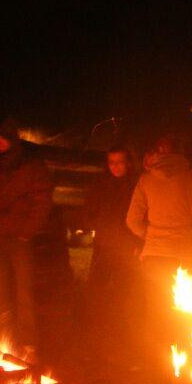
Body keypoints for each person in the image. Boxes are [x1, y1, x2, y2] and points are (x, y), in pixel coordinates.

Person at [126, 134, 192, 367]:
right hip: (183, 255)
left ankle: (155, 362)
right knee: (181, 310)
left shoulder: (146, 180)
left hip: (154, 255)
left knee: (155, 310)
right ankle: (181, 360)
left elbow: (132, 220)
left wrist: (150, 235)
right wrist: (191, 237)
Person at [0, 118, 53, 354]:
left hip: (19, 239)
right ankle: (3, 339)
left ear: (10, 139)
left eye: (1, 138)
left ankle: (29, 343)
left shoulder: (30, 166)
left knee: (23, 292)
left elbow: (42, 200)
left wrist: (26, 232)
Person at [83, 145, 141, 354]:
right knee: (97, 290)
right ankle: (96, 334)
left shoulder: (136, 185)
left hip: (127, 246)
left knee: (124, 292)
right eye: (111, 163)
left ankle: (123, 336)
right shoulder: (101, 185)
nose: (116, 167)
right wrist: (95, 223)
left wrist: (136, 242)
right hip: (105, 245)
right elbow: (89, 210)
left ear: (127, 163)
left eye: (120, 162)